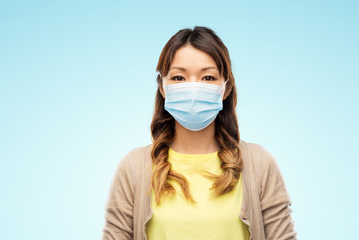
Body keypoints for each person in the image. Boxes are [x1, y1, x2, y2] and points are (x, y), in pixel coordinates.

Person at [102, 26, 297, 240]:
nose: (193, 88)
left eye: (207, 78)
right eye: (178, 78)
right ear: (162, 87)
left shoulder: (259, 163)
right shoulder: (134, 167)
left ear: (227, 88)